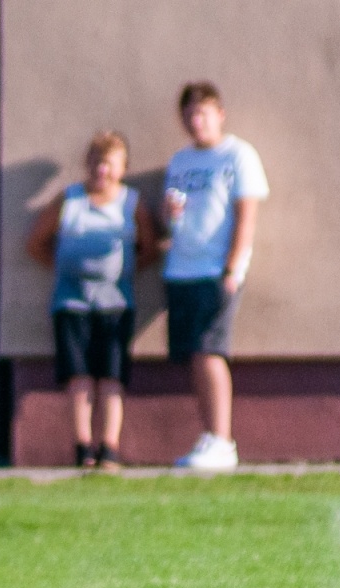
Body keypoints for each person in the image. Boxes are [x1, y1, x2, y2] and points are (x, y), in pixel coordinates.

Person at [26, 130, 158, 470]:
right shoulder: (68, 200)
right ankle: (83, 448)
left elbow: (149, 247)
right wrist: (66, 270)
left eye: (110, 164)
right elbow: (36, 243)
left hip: (117, 303)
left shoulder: (131, 203)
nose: (102, 170)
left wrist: (123, 271)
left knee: (112, 377)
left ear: (123, 168)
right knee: (79, 376)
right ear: (88, 164)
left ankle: (109, 448)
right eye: (97, 162)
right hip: (72, 303)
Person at [163, 81, 268, 471]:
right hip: (181, 270)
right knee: (195, 354)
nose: (196, 121)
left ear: (219, 115)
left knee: (210, 351)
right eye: (189, 114)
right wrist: (170, 216)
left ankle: (223, 441)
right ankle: (209, 436)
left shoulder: (237, 155)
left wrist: (233, 267)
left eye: (203, 113)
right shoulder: (180, 161)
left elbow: (247, 214)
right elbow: (171, 219)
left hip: (216, 270)